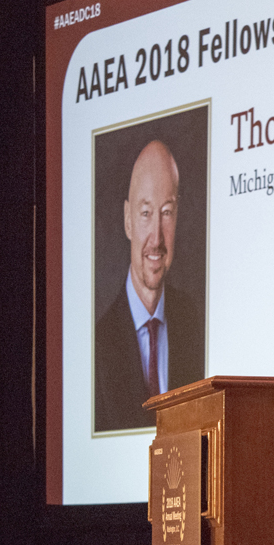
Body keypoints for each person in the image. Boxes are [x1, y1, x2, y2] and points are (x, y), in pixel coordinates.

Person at [95, 140, 203, 432]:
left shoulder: (194, 324)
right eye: (145, 214)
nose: (156, 238)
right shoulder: (98, 343)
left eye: (166, 212)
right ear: (128, 221)